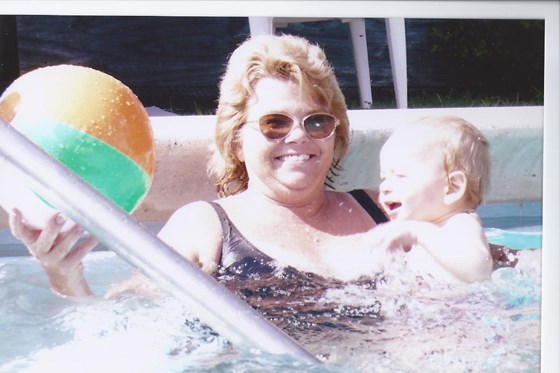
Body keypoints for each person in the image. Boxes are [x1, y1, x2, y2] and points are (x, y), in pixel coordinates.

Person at [8, 34, 391, 298]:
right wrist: (65, 276)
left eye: (317, 122)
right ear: (237, 139)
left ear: (336, 132)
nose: (298, 137)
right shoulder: (206, 228)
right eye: (275, 123)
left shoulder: (385, 210)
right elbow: (123, 325)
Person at [363, 115, 493, 283]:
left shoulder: (460, 224)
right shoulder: (430, 231)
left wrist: (417, 232)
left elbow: (477, 269)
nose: (384, 188)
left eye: (401, 176)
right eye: (383, 178)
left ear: (453, 187)